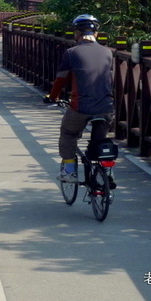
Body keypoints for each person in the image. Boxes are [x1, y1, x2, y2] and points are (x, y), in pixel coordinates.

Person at [43, 14, 115, 185]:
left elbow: (61, 79)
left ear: (77, 33)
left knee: (68, 134)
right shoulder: (108, 52)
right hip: (107, 107)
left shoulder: (71, 52)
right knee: (100, 141)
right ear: (96, 33)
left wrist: (52, 97)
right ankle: (106, 171)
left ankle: (69, 171)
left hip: (81, 107)